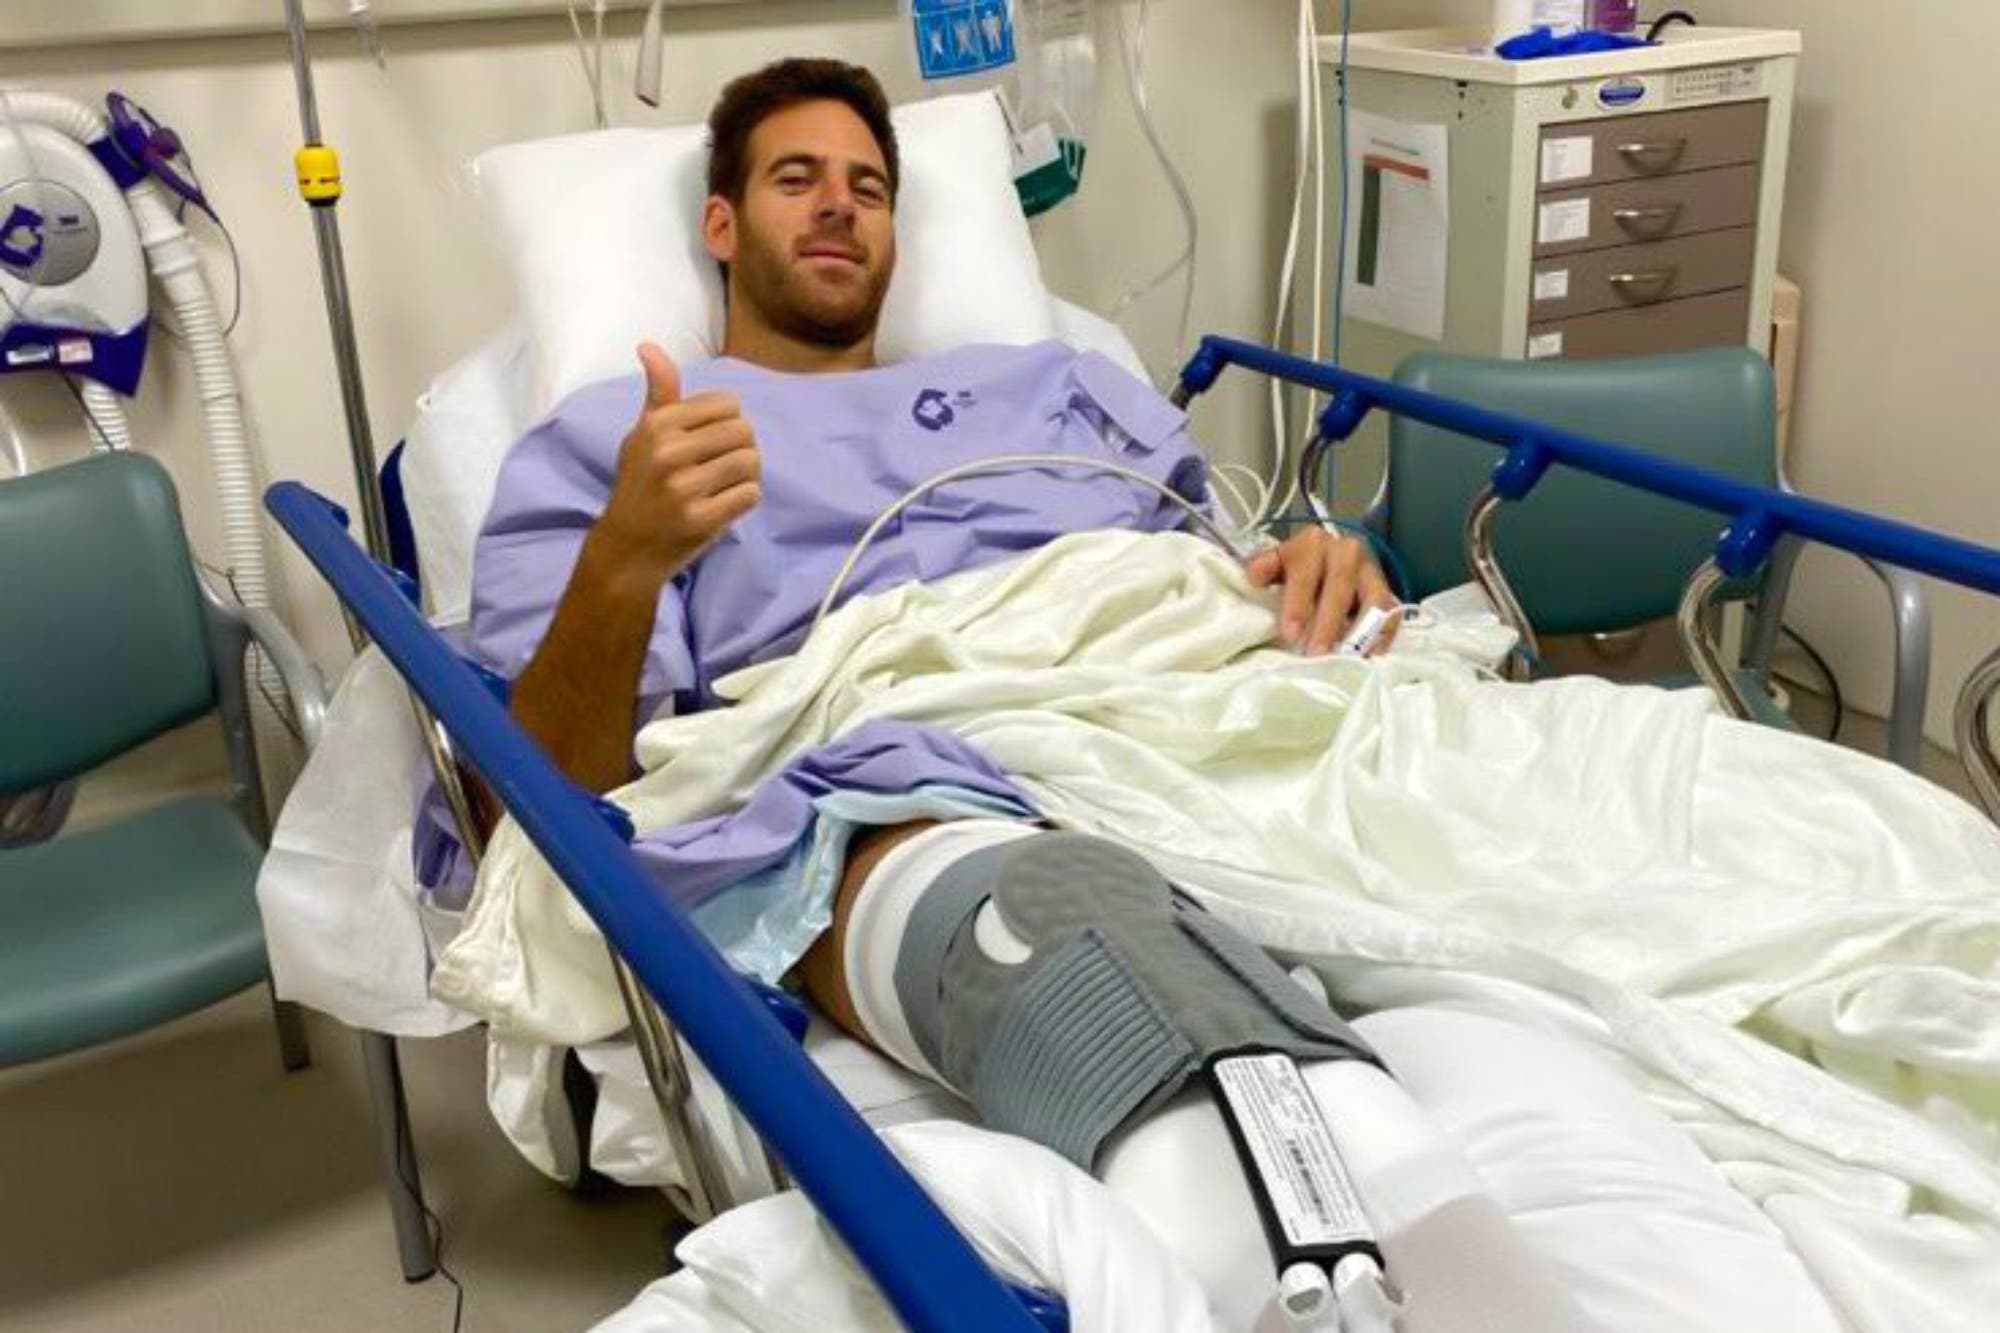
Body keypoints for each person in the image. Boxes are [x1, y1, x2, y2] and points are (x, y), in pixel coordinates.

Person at [465, 58, 1602, 1331]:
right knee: (1064, 924)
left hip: (1196, 704)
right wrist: (623, 560)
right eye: (797, 179)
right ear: (719, 226)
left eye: (868, 189)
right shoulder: (626, 444)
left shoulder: (1058, 388)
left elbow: (1211, 563)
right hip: (901, 774)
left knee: (1592, 818)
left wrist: (1316, 565)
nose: (838, 205)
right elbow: (534, 802)